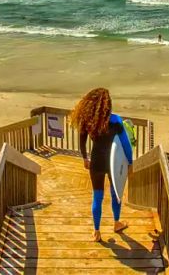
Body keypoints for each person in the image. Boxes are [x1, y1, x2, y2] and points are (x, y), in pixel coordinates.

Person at [71, 87, 133, 242]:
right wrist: (130, 163)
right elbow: (126, 145)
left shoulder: (88, 121)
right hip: (113, 162)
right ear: (108, 105)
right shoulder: (116, 121)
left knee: (97, 197)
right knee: (115, 194)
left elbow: (82, 141)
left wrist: (85, 158)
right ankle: (117, 223)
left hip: (96, 161)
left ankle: (97, 232)